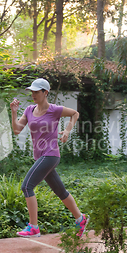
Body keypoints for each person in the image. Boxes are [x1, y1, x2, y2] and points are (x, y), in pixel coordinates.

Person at [10, 78, 89, 238]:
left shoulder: (54, 110)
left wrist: (67, 131)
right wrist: (14, 112)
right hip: (40, 157)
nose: (33, 94)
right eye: (32, 91)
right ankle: (81, 219)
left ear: (45, 92)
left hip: (51, 155)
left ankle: (34, 227)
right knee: (60, 191)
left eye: (36, 91)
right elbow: (17, 130)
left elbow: (75, 114)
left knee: (27, 187)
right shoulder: (29, 110)